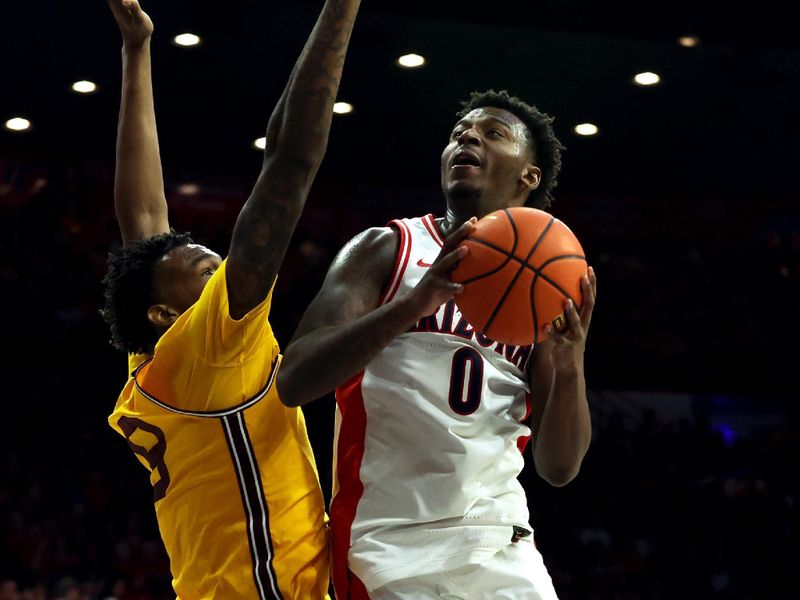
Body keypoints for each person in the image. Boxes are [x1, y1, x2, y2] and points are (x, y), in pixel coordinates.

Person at [277, 90, 598, 599]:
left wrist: (571, 363)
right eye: (458, 132)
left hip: (500, 541)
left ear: (528, 176)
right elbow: (293, 381)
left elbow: (559, 468)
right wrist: (410, 305)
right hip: (387, 544)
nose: (467, 136)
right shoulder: (387, 248)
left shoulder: (547, 289)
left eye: (492, 132)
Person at [100, 0, 361, 597]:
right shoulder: (209, 344)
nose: (214, 262)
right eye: (198, 268)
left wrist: (137, 49)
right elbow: (288, 165)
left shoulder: (157, 357)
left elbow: (141, 215)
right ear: (167, 314)